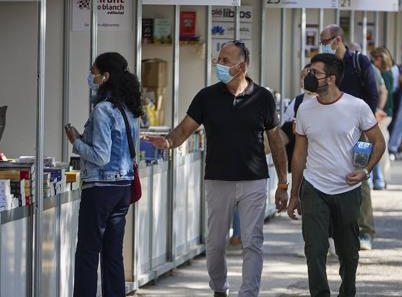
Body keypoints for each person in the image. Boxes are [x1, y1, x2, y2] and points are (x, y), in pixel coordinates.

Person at [146, 41, 288, 297]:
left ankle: (248, 293)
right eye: (218, 59)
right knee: (215, 243)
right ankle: (220, 289)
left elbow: (276, 144)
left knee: (252, 242)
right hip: (217, 180)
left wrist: (282, 184)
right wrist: (167, 142)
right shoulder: (207, 97)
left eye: (224, 60)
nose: (218, 64)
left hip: (253, 181)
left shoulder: (263, 98)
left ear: (241, 66)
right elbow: (184, 129)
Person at [286, 53, 385, 297]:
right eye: (309, 71)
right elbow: (299, 154)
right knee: (315, 250)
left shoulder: (356, 106)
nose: (309, 77)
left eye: (315, 73)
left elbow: (377, 142)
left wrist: (365, 171)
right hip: (314, 187)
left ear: (330, 79)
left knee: (348, 252)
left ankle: (347, 291)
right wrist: (294, 193)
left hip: (347, 189)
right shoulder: (305, 109)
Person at [65, 52, 142, 297]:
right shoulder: (129, 110)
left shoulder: (102, 110)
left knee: (87, 252)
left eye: (94, 72)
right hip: (123, 188)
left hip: (100, 188)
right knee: (112, 254)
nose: (91, 77)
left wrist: (75, 140)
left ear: (105, 76)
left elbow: (100, 156)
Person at [319, 24, 378, 251]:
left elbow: (372, 94)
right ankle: (333, 233)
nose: (323, 45)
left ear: (338, 39)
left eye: (326, 40)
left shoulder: (359, 62)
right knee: (330, 177)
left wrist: (366, 124)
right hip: (331, 133)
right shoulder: (326, 66)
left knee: (360, 178)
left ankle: (365, 231)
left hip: (360, 133)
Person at [370, 48, 393, 189]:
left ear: (380, 59)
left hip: (381, 114)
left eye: (374, 59)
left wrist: (378, 110)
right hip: (385, 113)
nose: (372, 61)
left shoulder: (379, 73)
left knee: (379, 148)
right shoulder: (388, 73)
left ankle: (380, 179)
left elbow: (384, 93)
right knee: (381, 147)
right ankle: (382, 178)